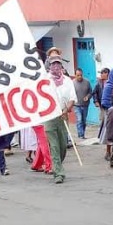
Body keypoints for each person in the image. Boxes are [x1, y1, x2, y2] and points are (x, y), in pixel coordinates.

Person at [44, 55, 77, 184]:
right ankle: (58, 172)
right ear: (49, 65)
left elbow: (72, 98)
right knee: (55, 146)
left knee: (63, 145)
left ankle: (57, 164)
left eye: (58, 64)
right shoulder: (45, 80)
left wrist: (66, 109)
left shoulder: (68, 80)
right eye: (53, 64)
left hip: (63, 115)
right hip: (49, 116)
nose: (56, 66)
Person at [99, 66, 113, 160]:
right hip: (109, 113)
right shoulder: (109, 86)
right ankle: (108, 152)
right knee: (109, 132)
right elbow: (104, 101)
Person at [72, 68, 92, 139]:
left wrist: (87, 97)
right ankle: (80, 135)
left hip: (85, 105)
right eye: (78, 75)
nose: (80, 77)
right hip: (76, 105)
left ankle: (82, 133)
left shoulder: (87, 82)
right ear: (75, 75)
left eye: (81, 75)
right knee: (79, 119)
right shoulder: (72, 83)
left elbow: (90, 92)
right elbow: (70, 94)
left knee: (84, 120)